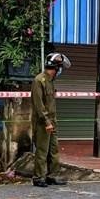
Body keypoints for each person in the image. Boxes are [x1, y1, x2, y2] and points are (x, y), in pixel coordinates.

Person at [31, 52, 71, 187]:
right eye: (60, 68)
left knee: (54, 150)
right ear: (56, 68)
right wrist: (47, 122)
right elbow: (39, 105)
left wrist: (52, 121)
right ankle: (38, 177)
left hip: (53, 120)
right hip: (43, 122)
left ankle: (52, 175)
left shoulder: (50, 82)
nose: (60, 71)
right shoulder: (39, 81)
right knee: (42, 150)